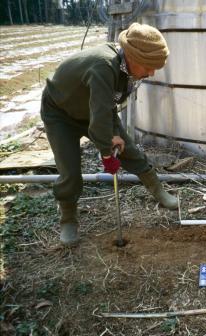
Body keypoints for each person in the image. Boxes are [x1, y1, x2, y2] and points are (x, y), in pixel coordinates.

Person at [40, 23, 178, 246]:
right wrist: (107, 152)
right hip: (60, 113)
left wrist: (114, 138)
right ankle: (68, 219)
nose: (152, 73)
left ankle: (159, 191)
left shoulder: (124, 68)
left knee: (128, 148)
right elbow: (100, 119)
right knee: (70, 170)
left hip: (95, 108)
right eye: (149, 67)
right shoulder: (103, 66)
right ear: (133, 58)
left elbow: (106, 107)